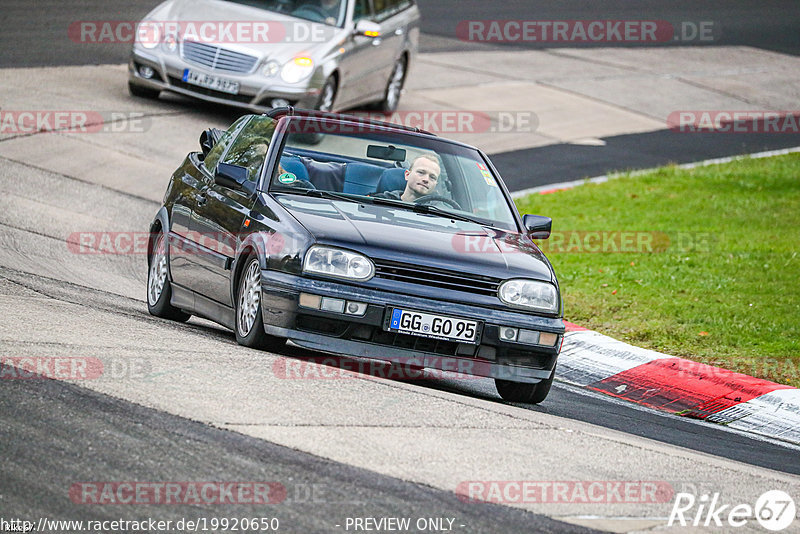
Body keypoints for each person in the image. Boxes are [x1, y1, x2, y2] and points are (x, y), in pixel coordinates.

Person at [377, 154, 442, 203]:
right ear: (407, 175)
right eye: (421, 172)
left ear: (435, 184)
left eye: (432, 177)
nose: (426, 179)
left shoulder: (441, 213)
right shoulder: (379, 202)